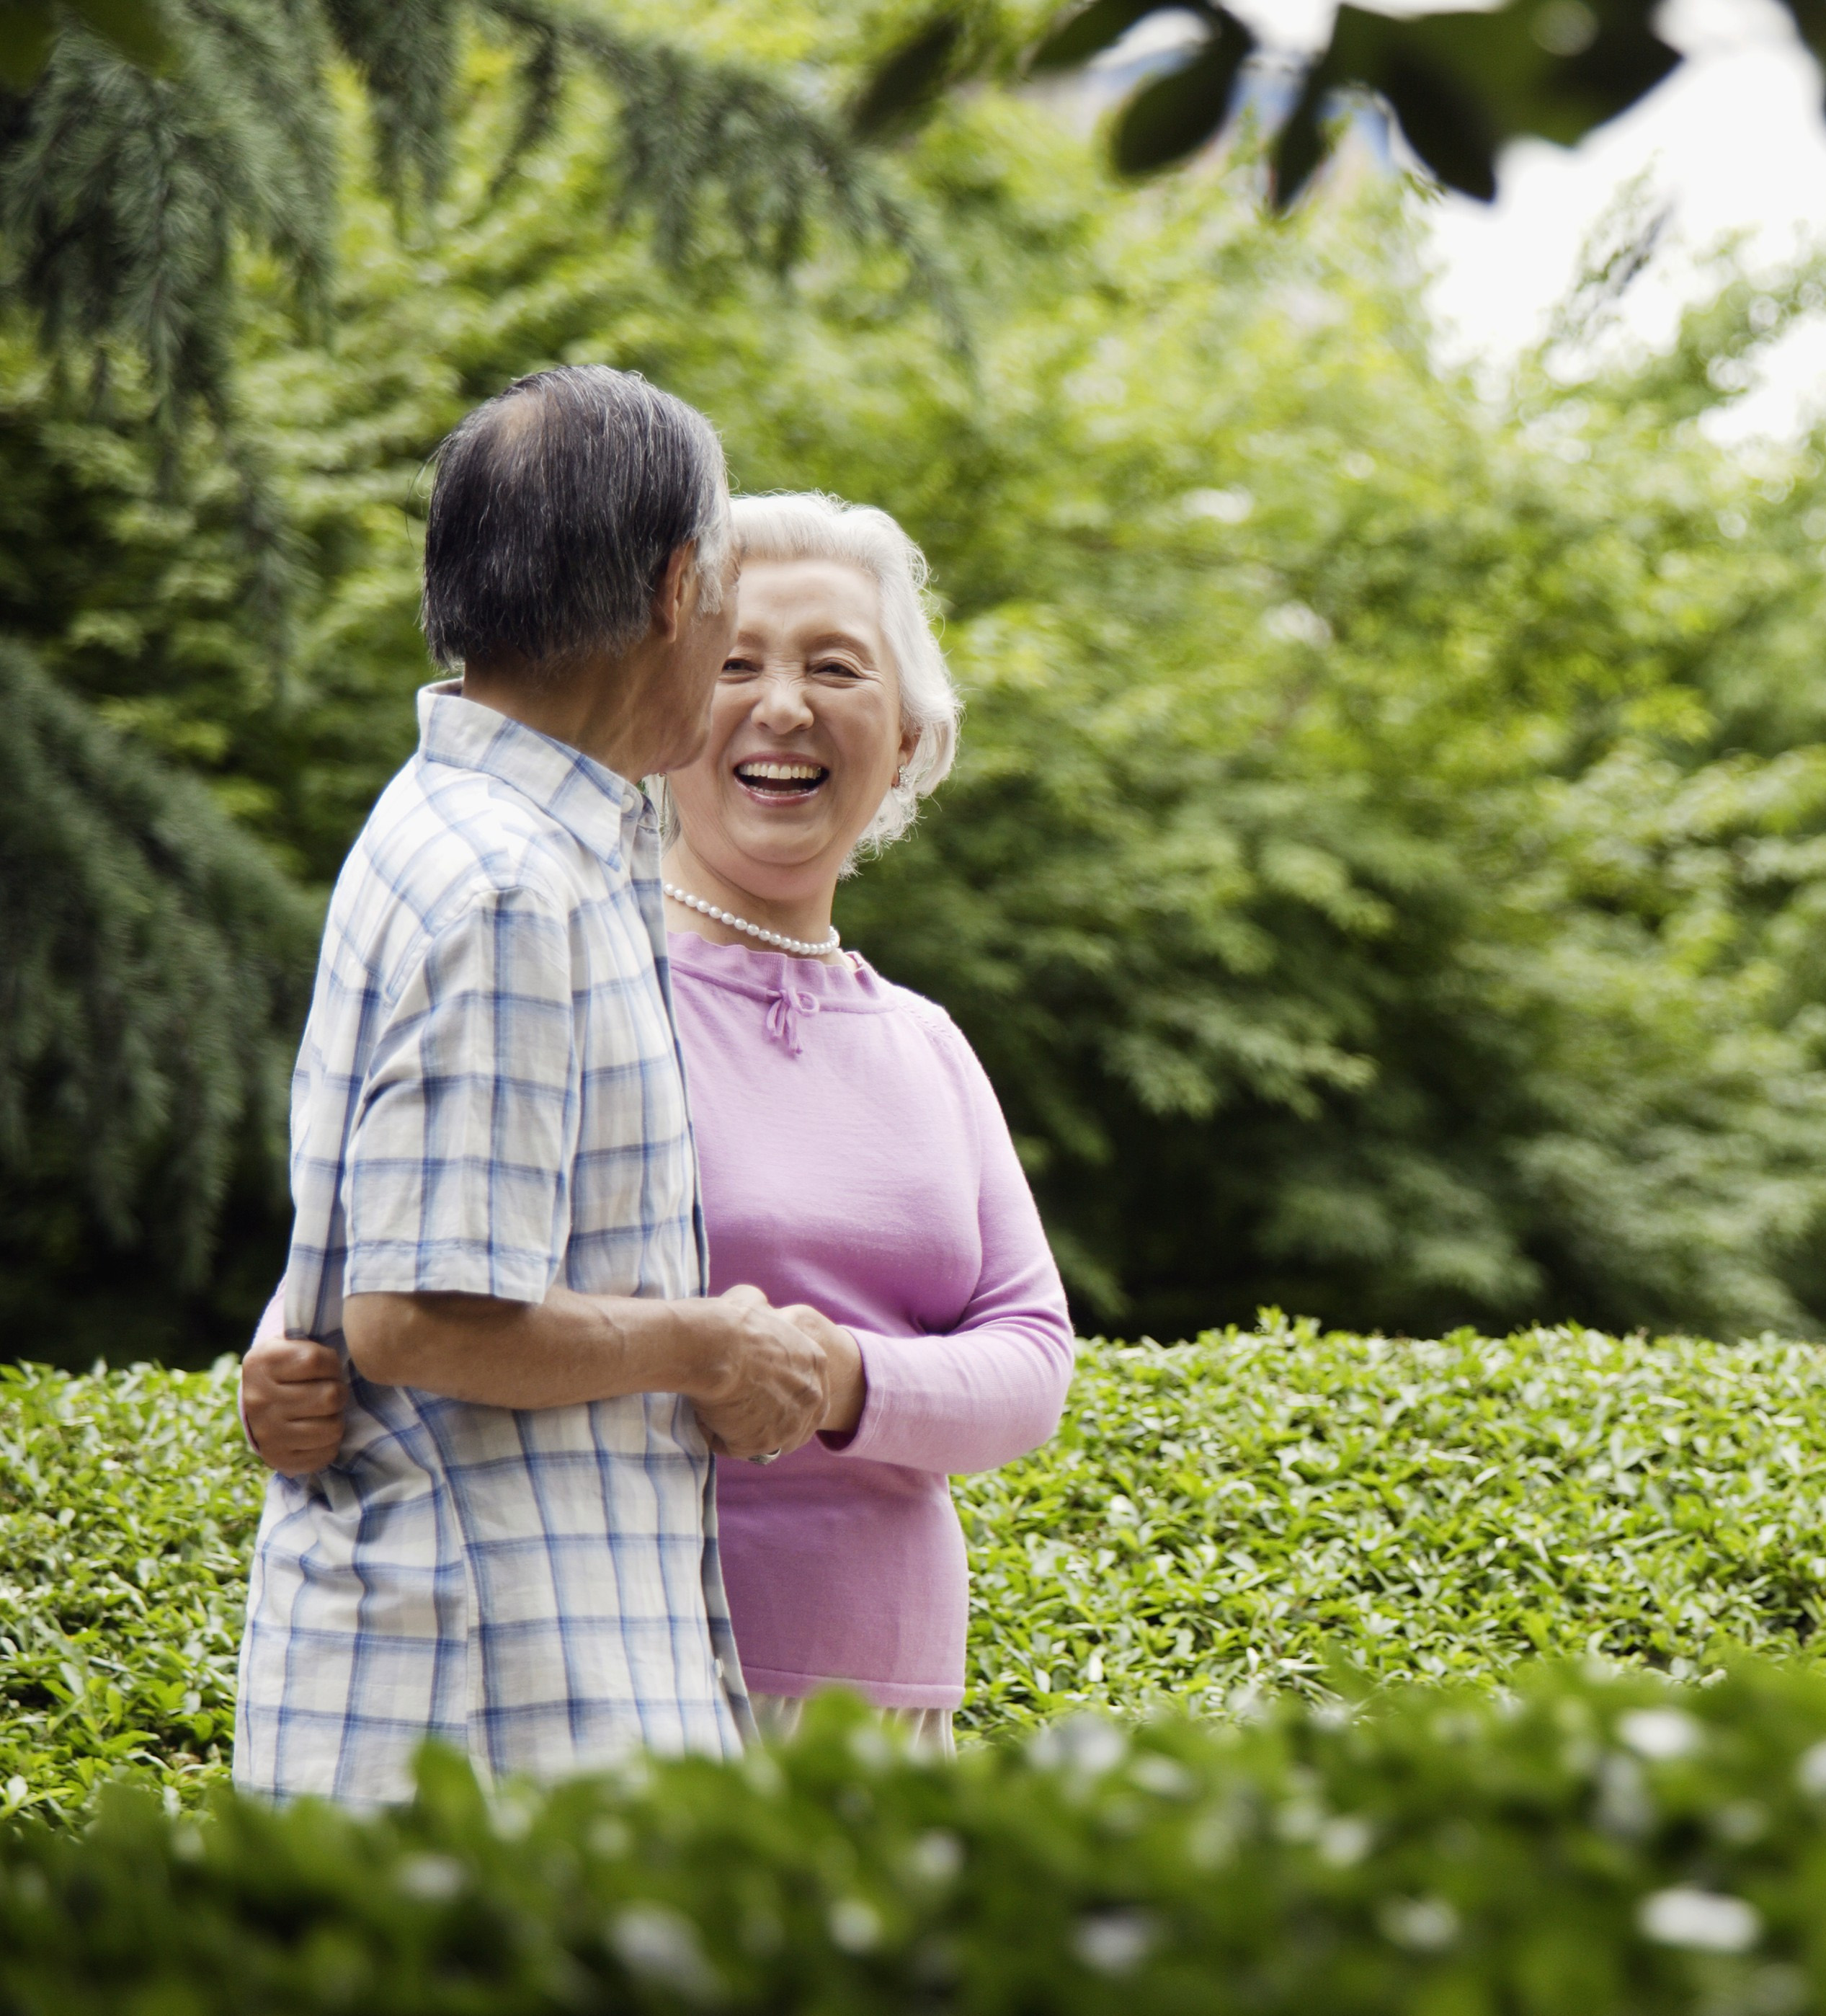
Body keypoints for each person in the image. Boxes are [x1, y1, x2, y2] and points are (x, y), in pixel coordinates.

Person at [244, 492, 1076, 1750]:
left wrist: (841, 1379)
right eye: (736, 660)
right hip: (639, 1680)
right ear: (675, 702)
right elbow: (429, 1236)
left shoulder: (927, 1046)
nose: (782, 705)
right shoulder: (576, 969)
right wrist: (289, 1350)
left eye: (835, 667)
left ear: (905, 737)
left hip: (896, 1704)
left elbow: (1031, 1362)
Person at [236, 370, 853, 1807]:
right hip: (491, 1714)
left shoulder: (474, 831)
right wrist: (709, 1348)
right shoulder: (511, 882)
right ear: (679, 588)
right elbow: (419, 1314)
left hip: (496, 1685)